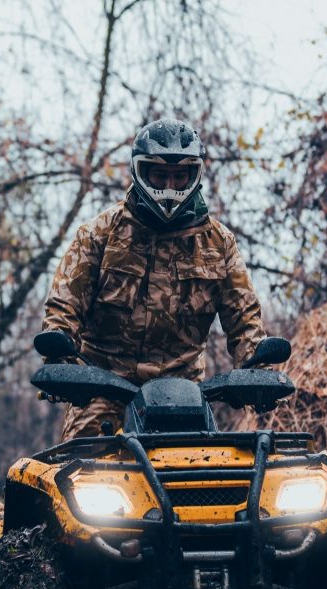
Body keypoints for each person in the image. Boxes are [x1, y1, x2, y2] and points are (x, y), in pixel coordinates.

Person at [42, 117, 266, 440]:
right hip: (102, 393)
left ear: (194, 174)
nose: (170, 186)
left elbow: (245, 319)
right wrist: (60, 356)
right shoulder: (99, 235)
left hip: (184, 399)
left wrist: (257, 369)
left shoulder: (219, 244)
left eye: (179, 176)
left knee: (215, 475)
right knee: (82, 465)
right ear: (140, 172)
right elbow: (64, 306)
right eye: (160, 175)